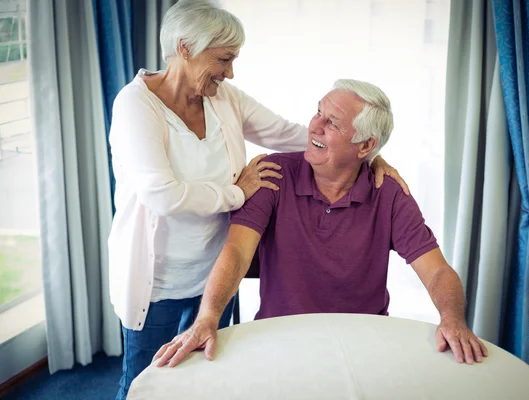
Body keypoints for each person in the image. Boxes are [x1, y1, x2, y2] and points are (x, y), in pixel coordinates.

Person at [108, 1, 406, 398]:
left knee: (208, 382)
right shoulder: (136, 105)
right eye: (224, 58)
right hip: (158, 282)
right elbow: (162, 195)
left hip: (214, 275)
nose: (230, 71)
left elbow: (294, 134)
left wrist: (364, 150)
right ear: (185, 48)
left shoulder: (223, 96)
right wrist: (237, 192)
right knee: (147, 384)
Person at [152, 79, 489, 369]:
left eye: (332, 123)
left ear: (367, 146)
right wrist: (207, 318)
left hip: (363, 343)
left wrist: (453, 319)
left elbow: (436, 271)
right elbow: (237, 251)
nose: (314, 126)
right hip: (279, 339)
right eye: (318, 112)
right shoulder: (274, 174)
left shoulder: (387, 193)